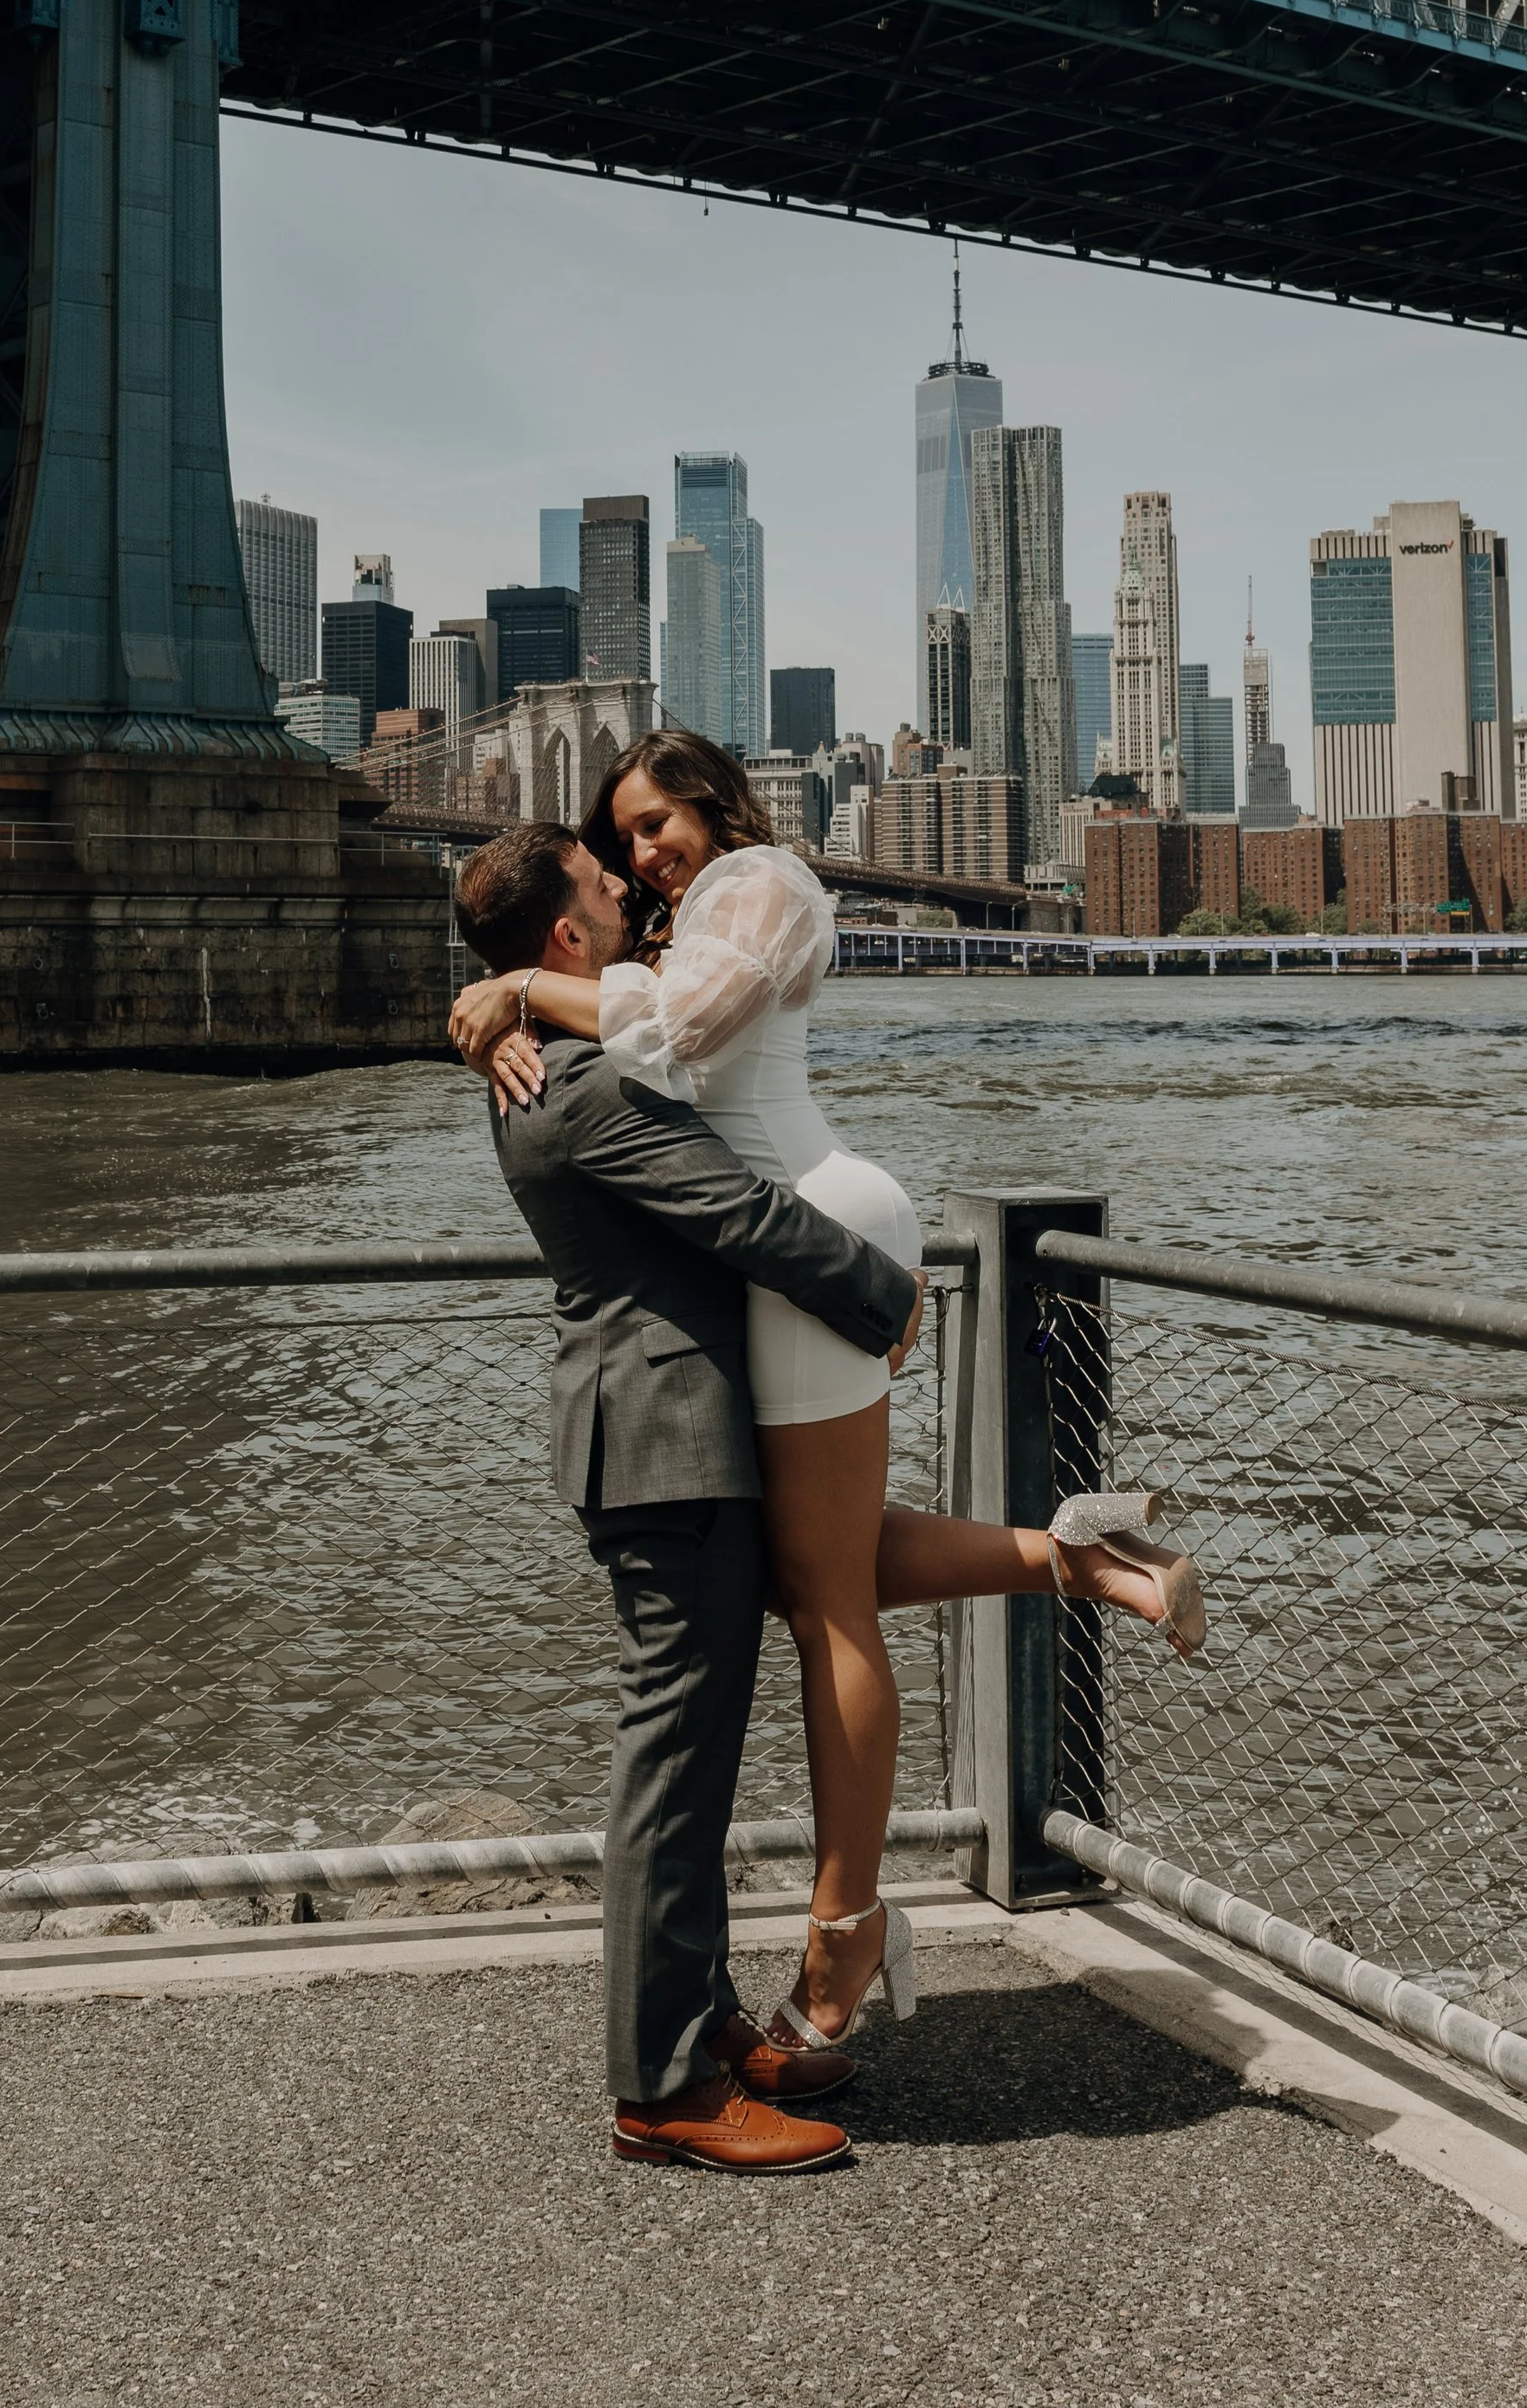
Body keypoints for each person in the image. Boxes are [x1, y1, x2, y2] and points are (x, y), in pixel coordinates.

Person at [451, 729, 1203, 2062]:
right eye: (620, 837)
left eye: (654, 820)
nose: (642, 850)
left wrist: (515, 987)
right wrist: (503, 1002)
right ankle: (1080, 1554)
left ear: (708, 801)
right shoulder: (668, 919)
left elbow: (675, 1033)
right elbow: (606, 1028)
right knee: (816, 1569)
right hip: (771, 1241)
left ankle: (844, 1936)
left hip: (809, 1231)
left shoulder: (765, 881)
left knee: (825, 1606)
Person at [452, 819, 923, 2174]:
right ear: (563, 935)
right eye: (609, 889)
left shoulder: (545, 1060)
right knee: (671, 1772)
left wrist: (497, 1009)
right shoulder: (584, 1089)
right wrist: (883, 1290)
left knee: (698, 1759)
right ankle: (662, 2089)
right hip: (665, 1447)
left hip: (657, 1442)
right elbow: (738, 1213)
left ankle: (700, 2020)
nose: (632, 900)